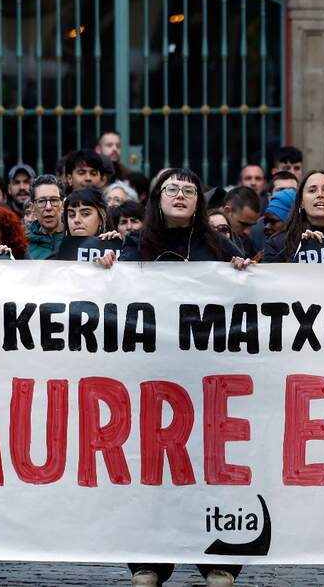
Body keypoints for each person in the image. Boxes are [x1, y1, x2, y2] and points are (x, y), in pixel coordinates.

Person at [95, 168, 248, 587]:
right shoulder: (134, 246)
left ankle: (219, 559)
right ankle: (149, 561)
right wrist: (106, 270)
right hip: (152, 380)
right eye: (171, 190)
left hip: (207, 382)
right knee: (153, 471)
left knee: (210, 469)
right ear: (157, 200)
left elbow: (247, 295)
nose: (179, 196)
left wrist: (241, 271)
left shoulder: (219, 247)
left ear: (199, 200)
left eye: (188, 190)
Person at [26, 175, 67, 260]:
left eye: (54, 200)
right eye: (41, 201)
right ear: (32, 207)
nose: (48, 207)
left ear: (63, 205)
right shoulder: (22, 244)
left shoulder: (76, 237)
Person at [222, 186, 262, 257]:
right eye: (243, 224)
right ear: (227, 211)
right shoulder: (205, 236)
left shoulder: (246, 241)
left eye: (252, 225)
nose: (247, 232)